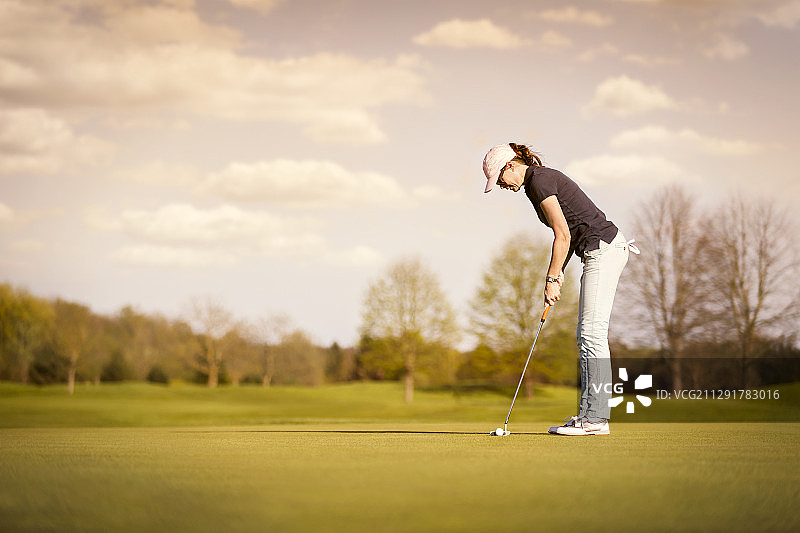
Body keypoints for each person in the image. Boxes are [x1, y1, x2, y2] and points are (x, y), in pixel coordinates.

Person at [482, 143, 638, 436]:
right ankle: (590, 415)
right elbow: (566, 232)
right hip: (598, 249)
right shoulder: (534, 184)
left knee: (591, 333)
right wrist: (558, 274)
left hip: (603, 248)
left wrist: (552, 278)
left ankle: (595, 419)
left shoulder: (539, 181)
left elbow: (562, 235)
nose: (502, 186)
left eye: (500, 179)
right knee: (586, 334)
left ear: (511, 165)